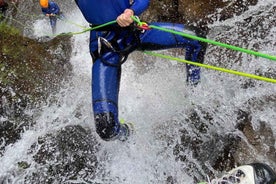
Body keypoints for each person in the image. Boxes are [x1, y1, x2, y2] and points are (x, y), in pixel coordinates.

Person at [75, 0, 207, 141]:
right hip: (106, 45)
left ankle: (193, 95)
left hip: (133, 32)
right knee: (106, 128)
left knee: (196, 39)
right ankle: (130, 135)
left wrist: (131, 11)